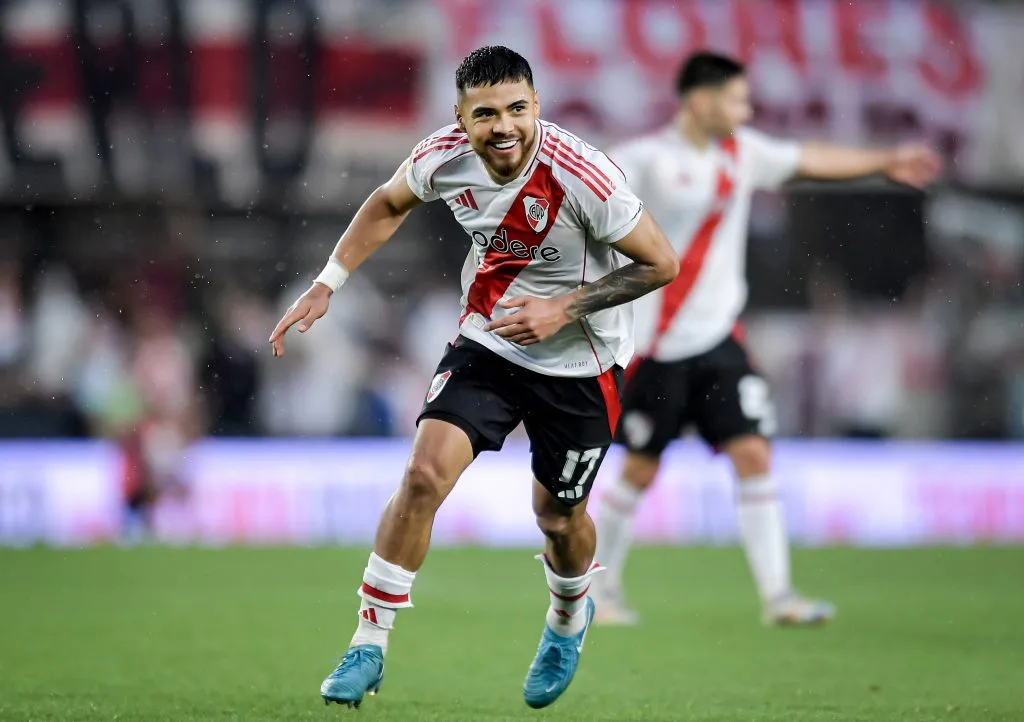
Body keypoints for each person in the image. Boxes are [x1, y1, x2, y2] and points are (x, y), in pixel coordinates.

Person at [268, 46, 678, 709]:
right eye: (485, 113)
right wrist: (328, 283)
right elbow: (386, 202)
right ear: (461, 117)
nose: (504, 126)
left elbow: (661, 263)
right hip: (488, 343)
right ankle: (368, 642)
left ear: (537, 107)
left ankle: (569, 615)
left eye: (518, 108)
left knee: (558, 517)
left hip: (581, 363)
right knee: (423, 474)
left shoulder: (585, 176)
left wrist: (563, 308)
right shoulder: (441, 157)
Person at [591, 51, 941, 627]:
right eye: (737, 99)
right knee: (640, 469)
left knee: (753, 453)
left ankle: (780, 598)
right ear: (701, 100)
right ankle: (600, 593)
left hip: (720, 340)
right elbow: (587, 198)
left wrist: (885, 162)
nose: (747, 110)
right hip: (657, 346)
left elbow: (810, 160)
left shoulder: (743, 153)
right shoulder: (645, 160)